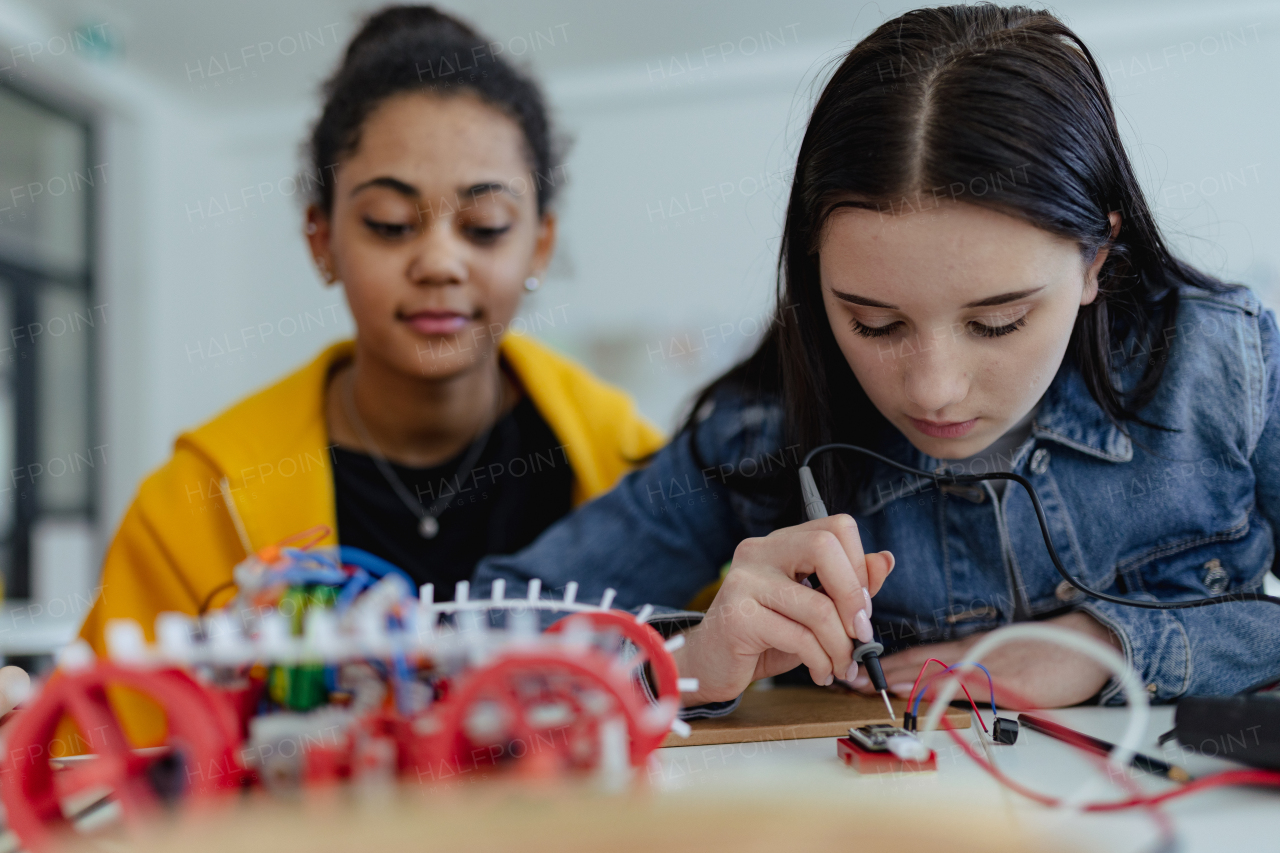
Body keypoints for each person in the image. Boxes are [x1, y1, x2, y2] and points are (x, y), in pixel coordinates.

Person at [475, 4, 1280, 712]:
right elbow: (488, 626)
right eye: (872, 323)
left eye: (998, 321)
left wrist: (1105, 647)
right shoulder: (762, 433)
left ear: (1096, 257)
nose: (934, 388)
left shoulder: (1222, 366)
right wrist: (683, 664)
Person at [80, 6, 662, 740]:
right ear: (321, 239)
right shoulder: (196, 503)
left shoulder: (626, 459)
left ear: (540, 245)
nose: (440, 262)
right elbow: (93, 757)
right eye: (390, 222)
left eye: (485, 226)